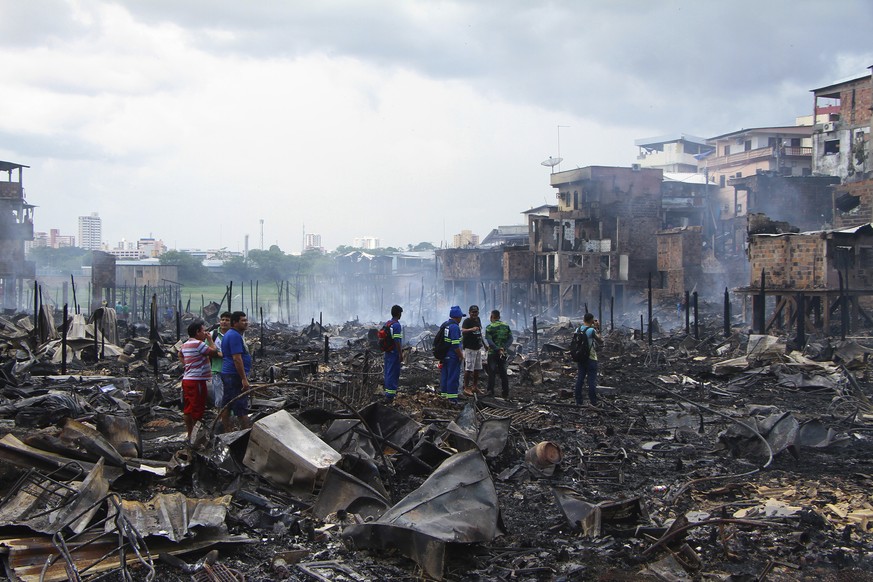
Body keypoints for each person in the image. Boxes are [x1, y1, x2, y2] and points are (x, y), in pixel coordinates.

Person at [179, 319, 219, 440]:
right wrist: (210, 340)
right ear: (197, 332)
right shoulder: (198, 344)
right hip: (197, 381)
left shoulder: (185, 344)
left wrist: (186, 365)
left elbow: (180, 354)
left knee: (188, 408)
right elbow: (214, 352)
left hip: (187, 379)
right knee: (197, 408)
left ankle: (190, 433)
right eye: (203, 331)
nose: (205, 333)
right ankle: (196, 437)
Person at [220, 311, 252, 432]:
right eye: (243, 321)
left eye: (246, 320)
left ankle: (228, 430)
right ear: (235, 322)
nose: (246, 322)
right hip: (234, 375)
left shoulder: (232, 334)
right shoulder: (234, 336)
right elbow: (236, 358)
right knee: (241, 405)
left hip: (229, 374)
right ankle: (245, 433)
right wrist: (244, 378)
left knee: (227, 403)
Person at [574, 313, 604, 406]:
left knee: (580, 379)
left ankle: (578, 400)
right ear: (591, 320)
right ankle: (593, 401)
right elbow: (601, 340)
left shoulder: (577, 329)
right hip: (591, 358)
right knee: (591, 380)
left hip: (580, 357)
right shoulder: (591, 330)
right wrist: (597, 328)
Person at [485, 309, 513, 398]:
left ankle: (490, 392)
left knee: (492, 373)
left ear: (492, 317)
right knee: (503, 373)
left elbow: (490, 342)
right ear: (499, 317)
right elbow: (510, 339)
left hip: (492, 353)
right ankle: (505, 392)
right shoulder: (506, 326)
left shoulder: (489, 327)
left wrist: (497, 349)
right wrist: (503, 348)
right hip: (503, 353)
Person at [439, 305, 465, 403]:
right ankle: (452, 399)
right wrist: (460, 356)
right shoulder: (454, 327)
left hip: (445, 355)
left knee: (445, 376)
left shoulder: (446, 324)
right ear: (457, 316)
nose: (461, 318)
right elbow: (455, 345)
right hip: (453, 356)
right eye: (461, 316)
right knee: (453, 377)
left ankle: (444, 397)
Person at [209, 311, 231, 410]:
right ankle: (220, 419)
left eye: (227, 320)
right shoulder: (213, 335)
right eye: (222, 320)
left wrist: (218, 353)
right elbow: (207, 351)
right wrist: (221, 354)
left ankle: (229, 420)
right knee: (219, 398)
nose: (224, 322)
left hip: (231, 371)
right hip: (217, 370)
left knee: (230, 397)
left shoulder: (234, 335)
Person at [461, 305, 485, 396]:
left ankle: (475, 386)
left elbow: (479, 333)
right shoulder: (467, 321)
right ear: (469, 312)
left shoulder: (478, 320)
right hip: (469, 348)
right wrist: (471, 329)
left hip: (478, 347)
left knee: (477, 368)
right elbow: (463, 330)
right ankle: (466, 387)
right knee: (468, 369)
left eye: (476, 312)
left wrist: (484, 345)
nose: (475, 314)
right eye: (473, 312)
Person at [383, 305, 403, 402]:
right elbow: (397, 340)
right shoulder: (396, 325)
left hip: (387, 352)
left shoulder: (388, 323)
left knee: (387, 371)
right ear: (398, 314)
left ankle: (388, 392)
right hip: (394, 352)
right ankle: (390, 395)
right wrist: (400, 353)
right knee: (393, 372)